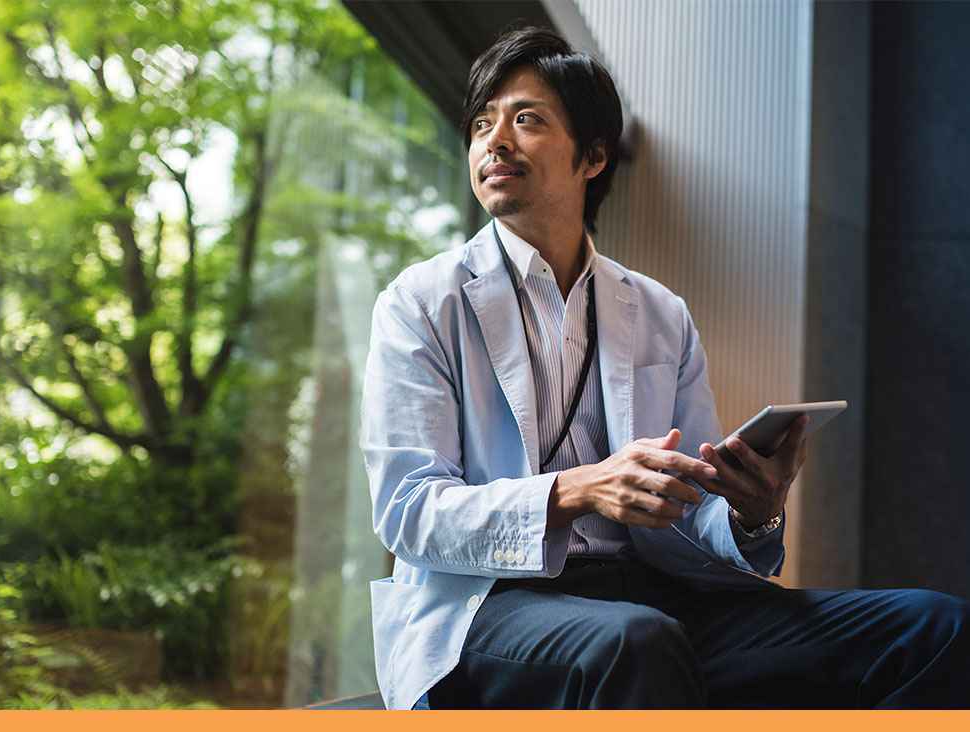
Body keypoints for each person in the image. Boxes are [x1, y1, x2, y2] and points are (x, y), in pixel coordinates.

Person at [360, 26, 970, 710]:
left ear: (593, 157)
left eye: (525, 119)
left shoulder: (658, 311)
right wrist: (577, 490)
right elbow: (409, 513)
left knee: (934, 626)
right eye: (481, 123)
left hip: (651, 596)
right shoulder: (420, 301)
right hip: (487, 606)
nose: (494, 140)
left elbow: (688, 513)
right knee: (636, 641)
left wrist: (751, 514)